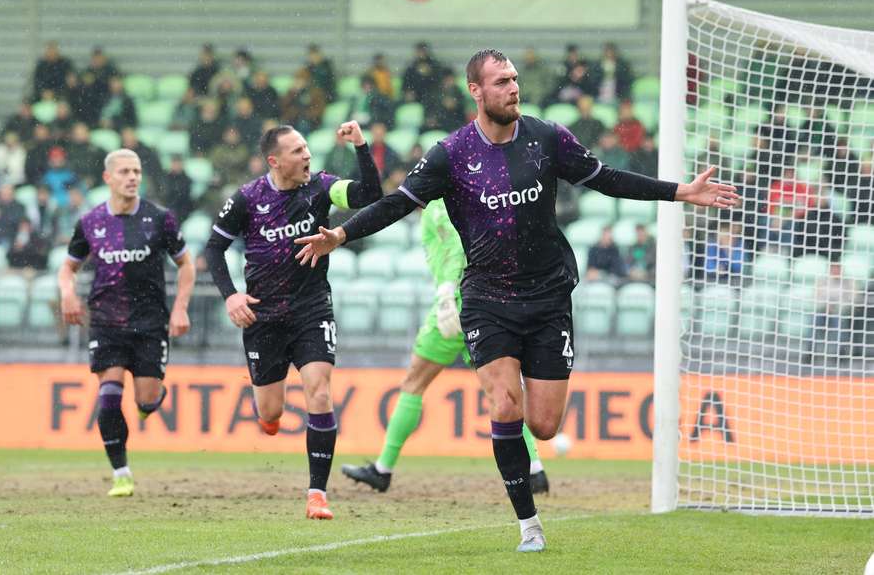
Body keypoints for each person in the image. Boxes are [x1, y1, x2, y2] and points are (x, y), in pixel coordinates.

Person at [296, 49, 737, 552]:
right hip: (486, 297)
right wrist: (343, 235)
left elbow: (607, 179)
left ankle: (525, 453)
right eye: (501, 80)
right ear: (476, 91)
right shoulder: (452, 153)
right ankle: (529, 524)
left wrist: (680, 192)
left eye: (514, 79)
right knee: (503, 403)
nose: (512, 87)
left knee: (544, 425)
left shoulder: (547, 137)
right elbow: (398, 202)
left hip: (549, 295)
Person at [203, 121, 382, 520]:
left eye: (306, 148)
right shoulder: (247, 198)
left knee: (318, 390)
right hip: (263, 317)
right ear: (275, 161)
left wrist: (361, 146)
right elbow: (213, 249)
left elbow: (369, 194)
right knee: (270, 411)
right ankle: (270, 419)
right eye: (298, 151)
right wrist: (231, 295)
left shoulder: (320, 186)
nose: (308, 156)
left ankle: (317, 493)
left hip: (311, 308)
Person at [341, 197, 551, 494]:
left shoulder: (439, 205)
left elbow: (453, 249)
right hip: (487, 300)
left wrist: (445, 294)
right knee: (502, 390)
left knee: (414, 382)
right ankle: (535, 471)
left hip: (457, 301)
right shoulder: (472, 198)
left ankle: (382, 469)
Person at [58, 149, 196, 498]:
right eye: (124, 172)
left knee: (146, 400)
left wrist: (180, 308)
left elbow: (186, 264)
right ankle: (121, 472)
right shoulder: (90, 222)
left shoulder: (160, 218)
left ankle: (151, 401)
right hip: (106, 321)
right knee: (108, 395)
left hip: (150, 323)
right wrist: (67, 294)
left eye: (136, 171)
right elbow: (68, 267)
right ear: (108, 178)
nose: (133, 177)